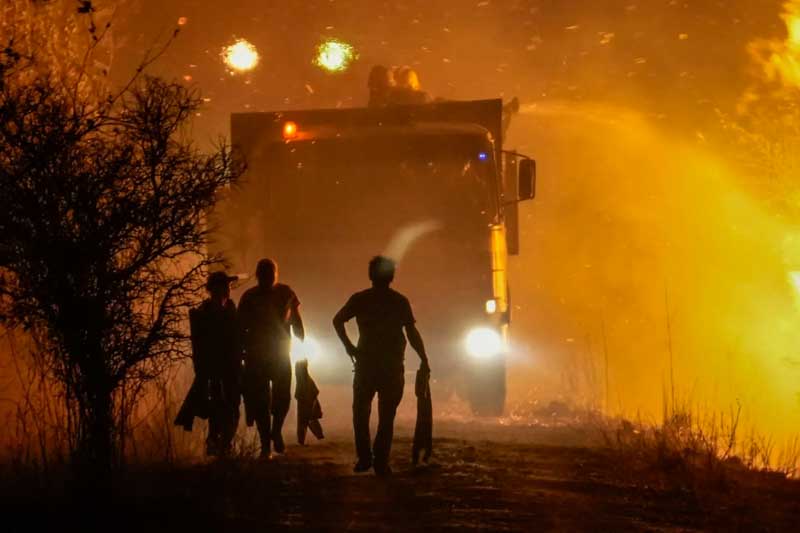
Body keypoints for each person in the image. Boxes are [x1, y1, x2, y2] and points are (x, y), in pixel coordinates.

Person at [333, 256, 430, 476]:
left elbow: (337, 320)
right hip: (391, 365)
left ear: (371, 275)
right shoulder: (399, 301)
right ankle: (380, 461)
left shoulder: (361, 299)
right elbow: (412, 333)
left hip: (366, 363)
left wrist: (349, 347)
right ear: (392, 276)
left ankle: (365, 457)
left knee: (360, 411)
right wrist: (424, 358)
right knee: (387, 416)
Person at [239, 258, 304, 458]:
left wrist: (301, 339)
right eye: (265, 274)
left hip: (276, 353)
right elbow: (240, 326)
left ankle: (274, 432)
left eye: (270, 274)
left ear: (274, 274)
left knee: (281, 397)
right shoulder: (250, 297)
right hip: (258, 355)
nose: (268, 277)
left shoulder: (285, 293)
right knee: (261, 401)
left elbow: (296, 319)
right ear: (259, 275)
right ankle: (267, 441)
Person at [175, 271, 241, 457]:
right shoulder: (203, 313)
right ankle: (217, 443)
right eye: (225, 285)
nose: (228, 289)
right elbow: (200, 344)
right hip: (213, 367)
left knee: (233, 406)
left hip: (232, 366)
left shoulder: (230, 308)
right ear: (216, 288)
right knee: (218, 406)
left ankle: (224, 443)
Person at [294, 359, 325, 445]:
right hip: (305, 404)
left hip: (308, 405)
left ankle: (319, 438)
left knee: (307, 421)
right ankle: (303, 440)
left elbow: (313, 393)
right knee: (305, 422)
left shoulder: (306, 380)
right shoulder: (303, 380)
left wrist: (311, 405)